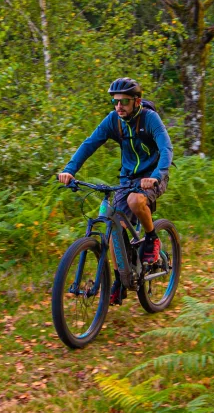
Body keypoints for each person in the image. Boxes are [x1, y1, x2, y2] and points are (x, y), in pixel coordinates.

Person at [57, 77, 173, 305]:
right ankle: (121, 279)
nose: (119, 106)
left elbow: (166, 148)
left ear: (136, 101)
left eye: (124, 102)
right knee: (114, 231)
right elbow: (89, 144)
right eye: (115, 101)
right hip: (128, 178)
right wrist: (69, 170)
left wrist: (157, 176)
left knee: (135, 201)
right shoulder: (114, 121)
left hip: (154, 175)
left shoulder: (150, 119)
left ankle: (151, 238)